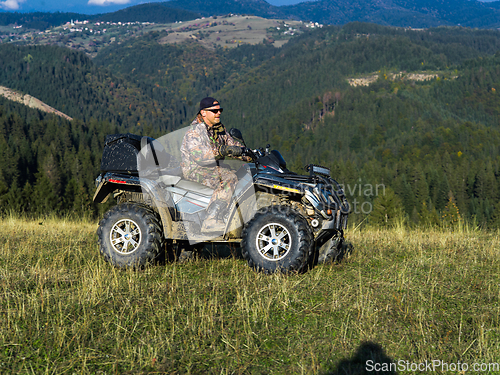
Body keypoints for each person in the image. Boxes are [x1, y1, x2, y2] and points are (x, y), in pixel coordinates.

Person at [180, 97, 250, 233]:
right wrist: (222, 150)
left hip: (213, 168)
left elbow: (233, 146)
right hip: (196, 169)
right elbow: (201, 157)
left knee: (244, 173)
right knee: (228, 179)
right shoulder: (194, 132)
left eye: (220, 110)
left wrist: (250, 154)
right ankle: (211, 220)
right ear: (204, 112)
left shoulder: (219, 129)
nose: (219, 113)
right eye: (215, 110)